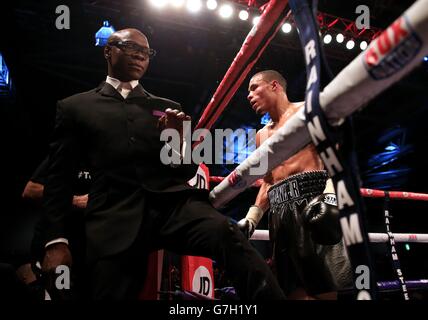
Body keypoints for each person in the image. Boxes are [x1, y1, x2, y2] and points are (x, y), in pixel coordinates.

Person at [39, 28, 285, 300]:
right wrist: (55, 241)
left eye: (146, 52)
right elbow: (58, 179)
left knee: (225, 231)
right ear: (108, 51)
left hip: (172, 209)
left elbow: (186, 170)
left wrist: (180, 139)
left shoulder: (167, 106)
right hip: (113, 215)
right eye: (131, 47)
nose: (139, 56)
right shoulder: (76, 107)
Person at [238, 70, 352, 300]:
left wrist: (330, 197)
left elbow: (339, 158)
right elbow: (268, 182)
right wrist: (252, 218)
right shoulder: (261, 135)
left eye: (253, 87)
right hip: (279, 214)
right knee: (292, 292)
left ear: (274, 86)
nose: (249, 95)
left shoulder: (308, 112)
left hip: (313, 202)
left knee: (324, 291)